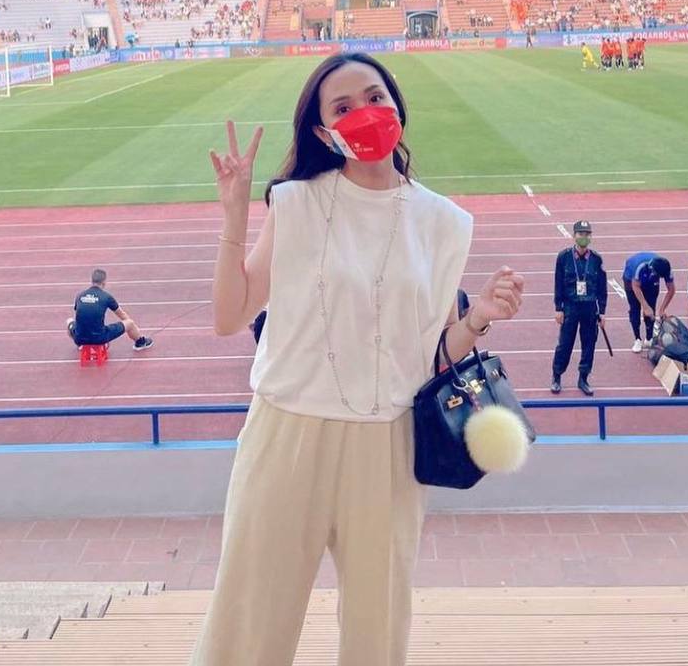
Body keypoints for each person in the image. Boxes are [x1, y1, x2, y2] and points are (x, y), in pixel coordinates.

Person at [191, 54, 525, 666]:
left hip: (387, 446)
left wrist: (477, 319)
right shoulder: (295, 203)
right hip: (286, 434)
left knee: (379, 628)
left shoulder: (445, 224)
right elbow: (229, 316)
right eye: (342, 108)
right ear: (324, 133)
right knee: (250, 622)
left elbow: (426, 359)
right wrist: (234, 217)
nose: (365, 114)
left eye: (374, 97)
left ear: (397, 105)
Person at [551, 220, 607, 396]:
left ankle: (583, 378)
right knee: (565, 344)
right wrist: (558, 307)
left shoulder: (596, 259)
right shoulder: (564, 257)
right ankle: (557, 376)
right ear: (574, 236)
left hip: (590, 308)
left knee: (589, 344)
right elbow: (558, 283)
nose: (584, 237)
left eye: (587, 234)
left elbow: (602, 287)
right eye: (581, 234)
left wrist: (603, 311)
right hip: (570, 307)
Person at [66, 268, 153, 353]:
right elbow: (122, 315)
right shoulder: (106, 297)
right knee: (129, 323)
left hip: (79, 337)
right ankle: (140, 343)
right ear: (104, 282)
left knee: (69, 321)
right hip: (99, 337)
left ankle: (81, 345)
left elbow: (80, 315)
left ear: (92, 281)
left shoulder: (80, 295)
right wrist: (134, 327)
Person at [622, 252, 675, 351]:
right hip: (631, 280)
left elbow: (671, 290)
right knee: (635, 309)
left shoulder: (667, 270)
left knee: (651, 308)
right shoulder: (640, 267)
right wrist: (645, 307)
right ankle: (637, 339)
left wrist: (662, 309)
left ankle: (649, 338)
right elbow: (635, 287)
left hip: (650, 282)